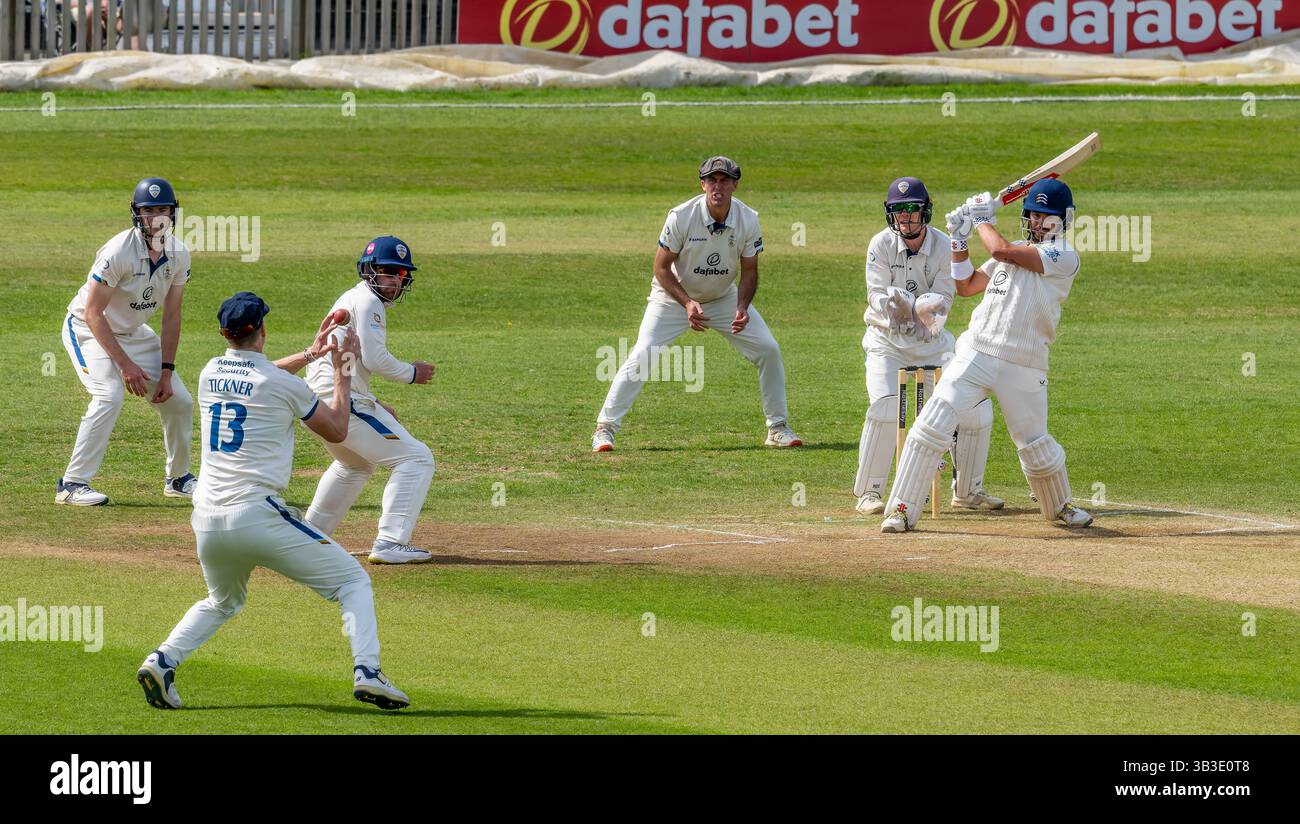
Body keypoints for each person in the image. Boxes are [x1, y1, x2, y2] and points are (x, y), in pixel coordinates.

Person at [137, 292, 410, 711]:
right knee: (352, 582)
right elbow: (337, 429)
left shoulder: (210, 371)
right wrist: (341, 372)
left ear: (223, 333)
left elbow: (260, 377)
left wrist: (309, 354)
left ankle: (162, 660)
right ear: (263, 330)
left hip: (207, 521)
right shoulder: (281, 385)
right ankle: (368, 672)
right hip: (258, 516)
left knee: (222, 601)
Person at [881, 179, 1093, 533]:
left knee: (1035, 445)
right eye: (1034, 215)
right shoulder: (1015, 249)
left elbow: (1001, 251)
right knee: (932, 423)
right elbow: (966, 285)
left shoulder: (1064, 257)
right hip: (977, 351)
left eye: (1047, 217)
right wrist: (959, 239)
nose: (1039, 223)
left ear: (1063, 219)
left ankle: (1060, 506)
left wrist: (980, 219)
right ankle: (901, 510)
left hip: (1024, 363)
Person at [592, 156, 801, 451]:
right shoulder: (681, 216)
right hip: (672, 297)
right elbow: (661, 268)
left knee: (768, 349)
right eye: (712, 180)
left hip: (722, 297)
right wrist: (687, 303)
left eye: (725, 180)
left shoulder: (748, 219)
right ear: (703, 184)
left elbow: (750, 270)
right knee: (644, 353)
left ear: (735, 185)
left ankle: (777, 428)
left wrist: (742, 306)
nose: (718, 186)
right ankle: (605, 428)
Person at [854, 177, 1003, 514]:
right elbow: (875, 294)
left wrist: (923, 310)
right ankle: (870, 492)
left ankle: (968, 491)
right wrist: (896, 307)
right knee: (887, 407)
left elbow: (945, 299)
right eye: (898, 211)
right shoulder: (879, 245)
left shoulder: (943, 245)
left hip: (934, 345)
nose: (905, 218)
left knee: (976, 408)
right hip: (886, 343)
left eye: (912, 210)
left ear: (925, 212)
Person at [58, 177, 195, 506]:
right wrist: (126, 366)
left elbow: (171, 317)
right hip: (88, 330)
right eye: (149, 211)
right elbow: (92, 313)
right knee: (109, 395)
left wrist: (165, 372)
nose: (157, 217)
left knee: (180, 401)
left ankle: (178, 478)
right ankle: (72, 485)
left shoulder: (178, 254)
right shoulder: (118, 251)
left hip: (133, 332)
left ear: (173, 213)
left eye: (163, 209)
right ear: (137, 214)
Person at [303, 236, 437, 565]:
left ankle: (309, 536)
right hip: (342, 402)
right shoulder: (367, 302)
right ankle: (391, 542)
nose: (394, 281)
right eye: (388, 272)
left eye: (400, 274)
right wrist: (411, 373)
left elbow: (356, 362)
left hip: (325, 400)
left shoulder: (356, 299)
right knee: (417, 459)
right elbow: (375, 359)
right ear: (370, 270)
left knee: (355, 464)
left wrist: (372, 400)